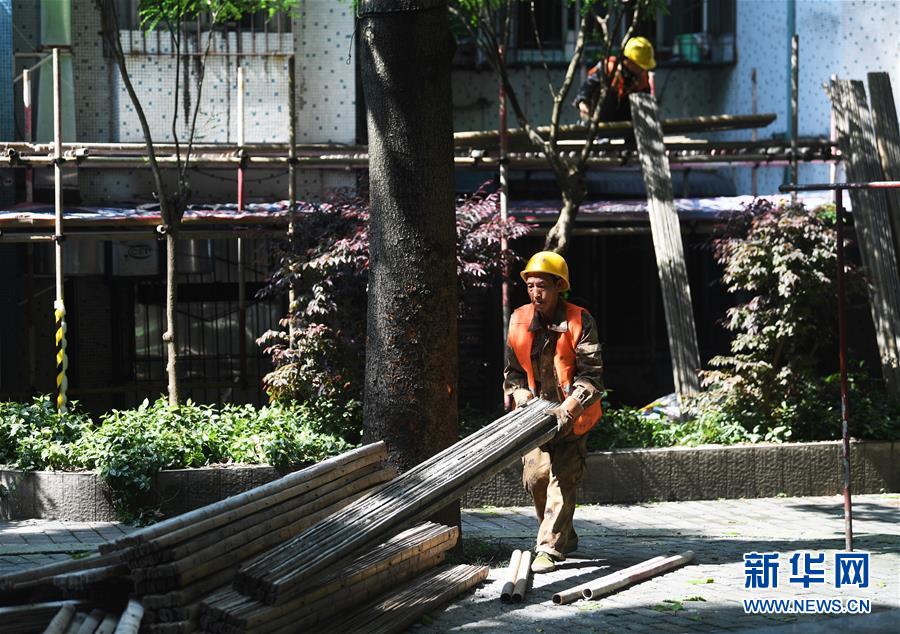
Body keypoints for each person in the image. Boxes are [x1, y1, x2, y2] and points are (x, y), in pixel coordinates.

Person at [504, 251, 604, 573]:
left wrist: (569, 407)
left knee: (563, 479)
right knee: (536, 479)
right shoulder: (518, 319)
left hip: (573, 418)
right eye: (530, 286)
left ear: (559, 287)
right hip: (534, 419)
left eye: (543, 286)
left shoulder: (580, 320)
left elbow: (592, 376)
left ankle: (548, 548)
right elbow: (513, 373)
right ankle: (564, 534)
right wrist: (519, 393)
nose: (536, 293)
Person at [574, 36, 656, 122]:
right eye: (639, 66)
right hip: (601, 120)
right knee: (607, 92)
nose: (642, 69)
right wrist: (583, 103)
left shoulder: (642, 76)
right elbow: (587, 88)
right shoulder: (608, 68)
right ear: (629, 61)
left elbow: (646, 103)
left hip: (627, 122)